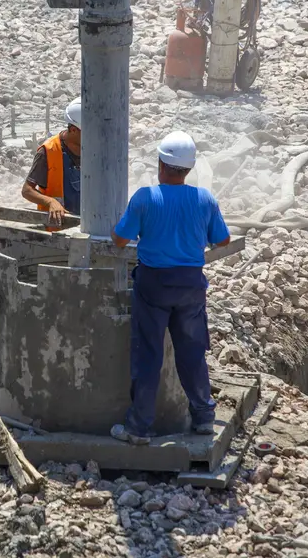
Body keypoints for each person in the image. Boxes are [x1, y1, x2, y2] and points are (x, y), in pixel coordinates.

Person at [108, 131, 231, 445]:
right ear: (188, 169)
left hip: (153, 285)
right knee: (191, 354)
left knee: (148, 355)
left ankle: (138, 428)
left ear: (161, 163)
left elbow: (120, 240)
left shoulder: (145, 198)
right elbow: (223, 240)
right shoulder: (205, 199)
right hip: (190, 285)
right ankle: (204, 418)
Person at [21, 98, 81, 227]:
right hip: (57, 230)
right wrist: (51, 202)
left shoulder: (94, 150)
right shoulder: (48, 151)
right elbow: (27, 190)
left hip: (85, 226)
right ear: (73, 130)